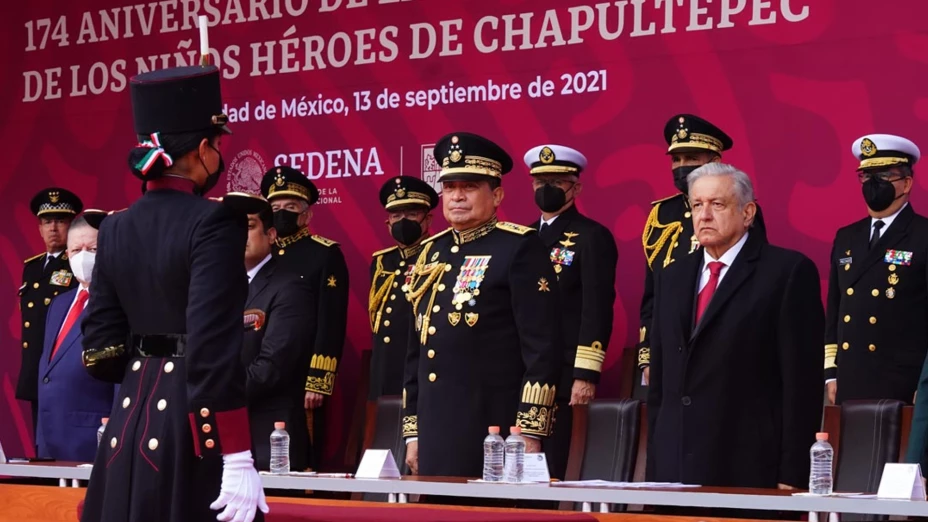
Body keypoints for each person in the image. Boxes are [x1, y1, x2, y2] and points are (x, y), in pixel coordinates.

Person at [79, 65, 266, 522]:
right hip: (190, 421)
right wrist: (238, 454)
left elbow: (100, 343)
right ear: (202, 150)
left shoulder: (116, 225)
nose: (219, 157)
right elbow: (213, 343)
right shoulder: (216, 222)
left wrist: (145, 364)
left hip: (130, 417)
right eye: (218, 146)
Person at [647, 163, 822, 490]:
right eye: (697, 205)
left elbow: (802, 385)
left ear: (748, 212)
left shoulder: (787, 273)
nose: (704, 215)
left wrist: (793, 473)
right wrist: (656, 464)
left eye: (717, 204)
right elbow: (660, 383)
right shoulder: (671, 277)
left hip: (748, 467)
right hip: (673, 471)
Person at [402, 132, 563, 478]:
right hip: (435, 428)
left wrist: (530, 430)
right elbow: (418, 349)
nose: (457, 196)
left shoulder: (518, 247)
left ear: (497, 194)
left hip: (494, 428)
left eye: (470, 186)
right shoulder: (431, 251)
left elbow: (542, 347)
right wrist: (413, 432)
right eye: (449, 187)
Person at [637, 114, 767, 385]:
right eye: (676, 159)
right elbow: (652, 296)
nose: (682, 167)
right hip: (670, 347)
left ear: (715, 162)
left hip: (722, 348)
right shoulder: (661, 213)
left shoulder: (740, 211)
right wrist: (647, 356)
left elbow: (753, 284)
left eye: (692, 158)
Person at [523, 144, 618, 481]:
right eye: (539, 181)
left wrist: (585, 374)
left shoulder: (591, 236)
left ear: (575, 188)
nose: (545, 188)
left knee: (552, 469)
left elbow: (596, 307)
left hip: (563, 374)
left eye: (556, 181)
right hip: (521, 371)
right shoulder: (521, 237)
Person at [826, 135, 926, 405]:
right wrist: (831, 373)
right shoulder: (846, 236)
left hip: (904, 384)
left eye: (883, 176)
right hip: (850, 379)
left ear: (906, 184)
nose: (873, 184)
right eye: (866, 176)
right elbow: (835, 309)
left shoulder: (922, 235)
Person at [260, 166, 349, 470]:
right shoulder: (260, 253)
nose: (282, 213)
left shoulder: (323, 254)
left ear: (307, 215)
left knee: (302, 452)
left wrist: (319, 380)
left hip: (302, 374)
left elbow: (331, 320)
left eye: (291, 208)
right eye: (275, 208)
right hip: (262, 372)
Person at [221, 192, 315, 472]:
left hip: (269, 439)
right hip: (222, 433)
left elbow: (272, 368)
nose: (238, 236)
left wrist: (214, 391)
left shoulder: (290, 288)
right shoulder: (216, 289)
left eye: (248, 227)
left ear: (271, 234)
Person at [36, 211, 116, 462]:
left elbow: (121, 375)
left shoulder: (120, 303)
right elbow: (49, 371)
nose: (82, 257)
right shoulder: (59, 304)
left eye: (91, 249)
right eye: (75, 250)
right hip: (50, 438)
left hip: (93, 438)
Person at [17, 187, 82, 434]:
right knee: (41, 440)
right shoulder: (32, 268)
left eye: (60, 221)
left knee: (65, 439)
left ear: (72, 225)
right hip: (37, 363)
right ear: (39, 228)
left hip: (64, 363)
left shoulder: (78, 262)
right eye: (47, 221)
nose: (53, 228)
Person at [369, 176, 438, 400]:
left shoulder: (438, 255)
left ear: (427, 219)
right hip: (385, 365)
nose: (402, 221)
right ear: (387, 224)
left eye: (411, 214)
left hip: (421, 363)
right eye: (396, 216)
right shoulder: (381, 262)